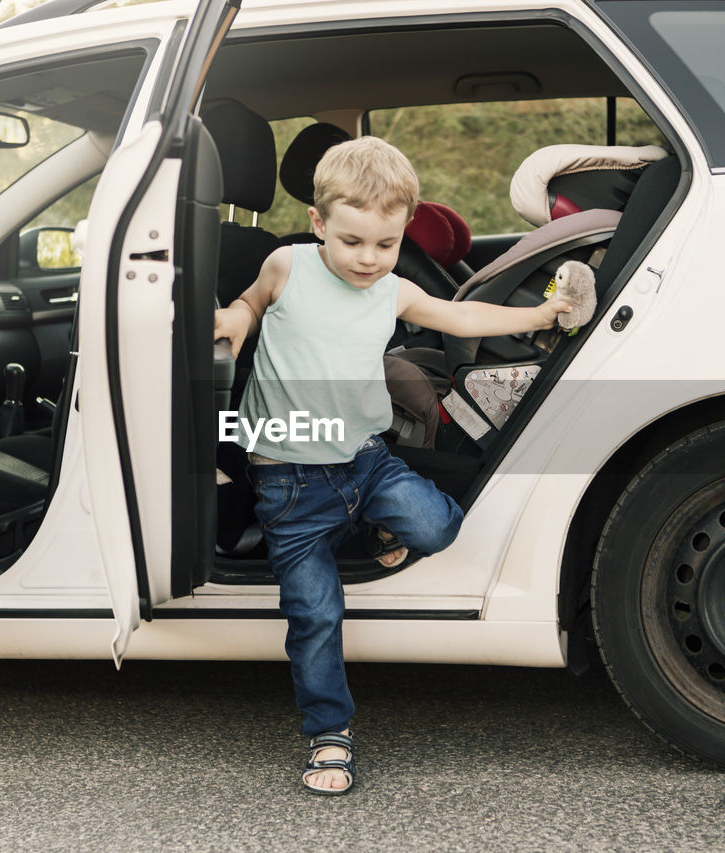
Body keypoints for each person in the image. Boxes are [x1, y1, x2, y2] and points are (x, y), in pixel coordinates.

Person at [212, 136, 570, 795]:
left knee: (436, 526)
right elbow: (253, 302)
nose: (368, 259)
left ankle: (375, 527)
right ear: (320, 225)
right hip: (288, 485)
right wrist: (235, 317)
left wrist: (542, 313)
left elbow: (460, 315)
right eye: (352, 242)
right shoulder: (286, 265)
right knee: (316, 614)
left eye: (385, 244)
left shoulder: (392, 288)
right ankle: (329, 733)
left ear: (403, 230)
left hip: (364, 462)